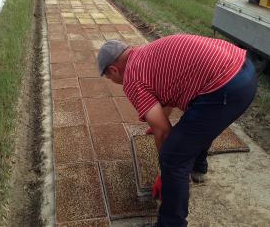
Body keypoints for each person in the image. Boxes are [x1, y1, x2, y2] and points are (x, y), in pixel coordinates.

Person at [97, 35, 257, 227]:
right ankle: (198, 168)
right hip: (244, 68)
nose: (112, 80)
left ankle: (170, 223)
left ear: (114, 69)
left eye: (108, 77)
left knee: (173, 156)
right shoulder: (145, 53)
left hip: (226, 87)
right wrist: (156, 122)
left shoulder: (132, 77)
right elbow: (164, 100)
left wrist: (165, 174)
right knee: (196, 124)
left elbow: (164, 132)